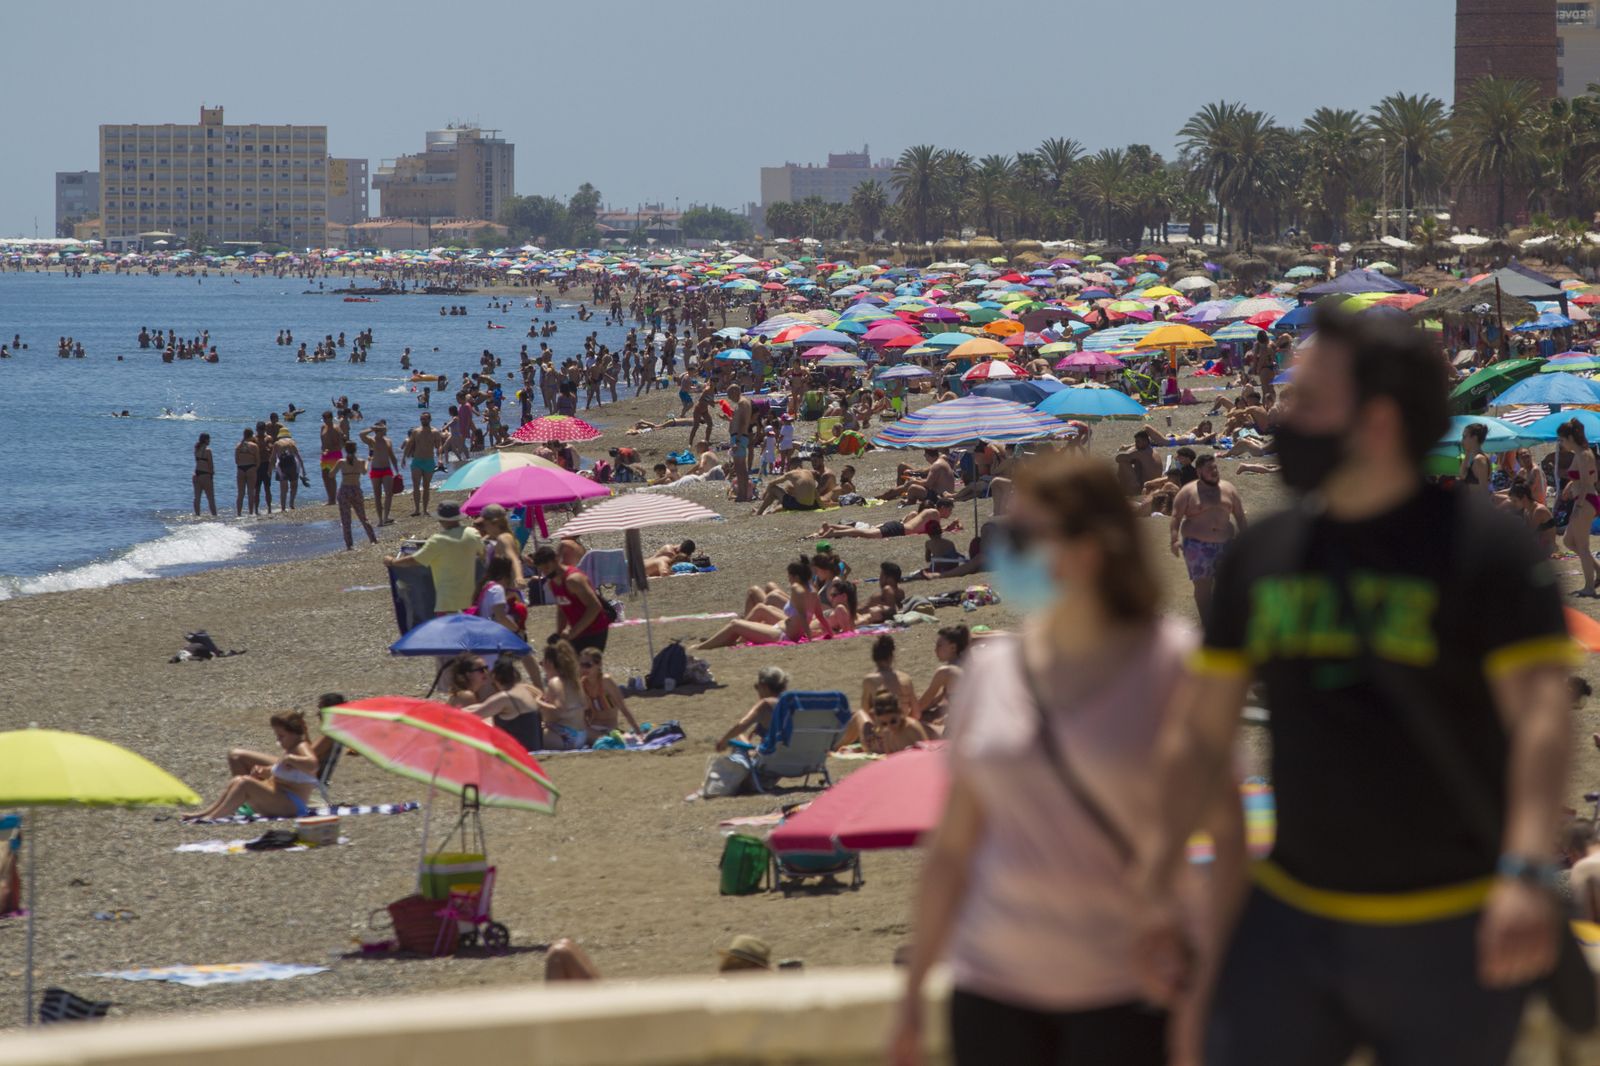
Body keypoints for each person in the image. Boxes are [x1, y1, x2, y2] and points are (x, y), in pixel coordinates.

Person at [1135, 306, 1577, 1066]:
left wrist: (1528, 869)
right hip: (1294, 917)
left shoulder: (1486, 549)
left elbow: (1540, 718)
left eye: (1305, 402)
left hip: (1453, 922)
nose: (1282, 419)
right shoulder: (1264, 556)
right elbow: (1199, 732)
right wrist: (1153, 884)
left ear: (1376, 421)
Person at [892, 451, 1231, 1066]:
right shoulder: (991, 671)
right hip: (991, 990)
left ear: (1090, 548)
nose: (1005, 551)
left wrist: (1204, 996)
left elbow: (1228, 840)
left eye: (1022, 537)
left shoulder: (1170, 666)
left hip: (1128, 991)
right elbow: (953, 848)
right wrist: (913, 996)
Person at [185, 712, 320, 821]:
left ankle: (214, 817)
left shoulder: (301, 746)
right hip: (282, 798)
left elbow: (313, 764)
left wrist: (289, 758)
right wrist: (265, 771)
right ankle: (207, 813)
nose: (278, 740)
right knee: (238, 780)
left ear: (294, 734)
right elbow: (288, 774)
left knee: (245, 783)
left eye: (281, 736)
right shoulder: (292, 748)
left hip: (293, 805)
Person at [694, 559, 842, 649]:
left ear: (796, 577)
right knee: (756, 612)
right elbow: (820, 616)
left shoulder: (797, 589)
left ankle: (701, 647)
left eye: (789, 576)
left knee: (735, 624)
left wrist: (809, 639)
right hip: (782, 630)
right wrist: (831, 634)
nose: (788, 579)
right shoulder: (812, 592)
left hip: (782, 635)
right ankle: (725, 639)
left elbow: (803, 616)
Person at [1169, 454, 1248, 621]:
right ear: (1199, 472)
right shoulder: (1188, 491)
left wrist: (1247, 540)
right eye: (1209, 468)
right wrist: (1174, 540)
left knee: (1228, 584)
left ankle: (1224, 621)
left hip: (1226, 544)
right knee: (1203, 587)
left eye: (1215, 467)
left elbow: (1240, 516)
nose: (1214, 471)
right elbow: (1176, 517)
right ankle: (1207, 623)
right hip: (1197, 546)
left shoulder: (1228, 489)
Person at [384, 503, 485, 615]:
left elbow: (415, 560)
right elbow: (483, 554)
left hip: (448, 602)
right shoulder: (472, 533)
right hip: (472, 597)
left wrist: (392, 561)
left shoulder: (438, 540)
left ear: (441, 520)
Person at [530, 545, 610, 653]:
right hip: (576, 632)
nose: (546, 572)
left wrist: (572, 632)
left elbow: (595, 607)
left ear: (556, 559)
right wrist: (559, 635)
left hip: (594, 631)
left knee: (586, 663)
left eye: (547, 567)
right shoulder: (552, 584)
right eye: (542, 570)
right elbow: (562, 609)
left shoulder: (573, 580)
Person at [465, 657, 545, 751]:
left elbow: (474, 715)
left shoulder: (505, 698)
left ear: (494, 676)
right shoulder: (524, 689)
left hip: (517, 753)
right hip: (534, 749)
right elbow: (484, 706)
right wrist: (463, 710)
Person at [1559, 418, 1600, 597]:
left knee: (1582, 546)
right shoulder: (1583, 453)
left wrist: (1578, 506)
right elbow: (1592, 477)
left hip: (1585, 501)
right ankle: (1598, 569)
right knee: (1568, 541)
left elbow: (1585, 483)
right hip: (1587, 499)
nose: (1561, 443)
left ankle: (1589, 587)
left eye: (1562, 439)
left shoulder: (1583, 454)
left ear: (1570, 438)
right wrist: (1570, 485)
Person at [715, 666, 790, 752]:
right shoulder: (795, 703)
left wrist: (723, 741)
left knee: (739, 737)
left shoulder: (765, 704)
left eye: (757, 687)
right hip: (799, 756)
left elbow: (741, 725)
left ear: (764, 686)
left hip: (770, 757)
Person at [813, 498, 955, 540]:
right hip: (898, 529)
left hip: (897, 527)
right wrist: (949, 529)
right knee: (863, 533)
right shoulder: (934, 513)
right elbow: (936, 534)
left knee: (863, 532)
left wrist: (947, 528)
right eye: (950, 510)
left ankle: (832, 527)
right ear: (943, 507)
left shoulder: (930, 512)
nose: (950, 513)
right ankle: (833, 532)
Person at [577, 648, 641, 741]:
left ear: (599, 664)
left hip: (610, 728)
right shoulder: (582, 684)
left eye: (588, 665)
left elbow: (623, 708)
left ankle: (610, 739)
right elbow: (582, 713)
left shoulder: (606, 681)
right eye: (581, 665)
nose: (584, 669)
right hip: (593, 728)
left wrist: (638, 731)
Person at [537, 638, 589, 750]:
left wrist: (538, 702)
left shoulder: (555, 682)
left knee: (525, 736)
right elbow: (585, 705)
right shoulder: (574, 681)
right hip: (581, 735)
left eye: (542, 663)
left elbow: (560, 709)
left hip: (566, 737)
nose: (542, 665)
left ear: (549, 663)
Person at [333, 442, 378, 550]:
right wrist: (368, 461)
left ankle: (350, 545)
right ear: (355, 450)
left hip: (344, 490)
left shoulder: (341, 462)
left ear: (345, 450)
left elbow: (331, 474)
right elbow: (364, 472)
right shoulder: (361, 461)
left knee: (346, 520)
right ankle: (373, 539)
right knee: (363, 517)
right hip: (356, 490)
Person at [858, 690, 929, 755]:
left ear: (900, 713)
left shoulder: (912, 728)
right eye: (884, 724)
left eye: (893, 721)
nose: (890, 727)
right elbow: (890, 757)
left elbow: (927, 754)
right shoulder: (886, 732)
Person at [403, 412, 446, 517]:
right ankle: (417, 509)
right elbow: (409, 444)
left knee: (426, 486)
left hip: (429, 462)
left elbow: (439, 446)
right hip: (417, 461)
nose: (423, 421)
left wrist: (440, 459)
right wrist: (403, 458)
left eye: (425, 419)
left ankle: (425, 509)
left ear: (430, 419)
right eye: (422, 419)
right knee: (416, 486)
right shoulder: (416, 431)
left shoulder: (435, 432)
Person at [361, 421, 400, 525]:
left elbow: (392, 456)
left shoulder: (388, 441)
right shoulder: (371, 440)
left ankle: (386, 517)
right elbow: (361, 435)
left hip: (387, 470)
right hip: (375, 470)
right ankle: (380, 520)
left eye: (385, 428)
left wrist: (397, 471)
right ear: (378, 430)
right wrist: (372, 428)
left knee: (389, 494)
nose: (386, 429)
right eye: (383, 428)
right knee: (377, 496)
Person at [477, 503, 526, 586]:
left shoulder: (504, 538)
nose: (484, 527)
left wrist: (519, 577)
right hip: (497, 586)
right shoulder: (492, 537)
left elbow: (514, 559)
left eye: (484, 524)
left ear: (494, 523)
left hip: (506, 588)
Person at [1507, 478, 1557, 555]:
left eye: (1515, 501)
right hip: (1539, 545)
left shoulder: (1539, 511)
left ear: (1524, 498)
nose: (1513, 504)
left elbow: (1529, 534)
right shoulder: (1527, 510)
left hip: (1548, 549)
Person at [752, 468, 822, 515]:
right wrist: (821, 505)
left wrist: (764, 495)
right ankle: (766, 511)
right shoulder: (808, 473)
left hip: (799, 506)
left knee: (773, 489)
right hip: (811, 506)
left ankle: (759, 513)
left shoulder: (792, 473)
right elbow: (815, 491)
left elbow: (771, 483)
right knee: (787, 495)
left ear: (791, 466)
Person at [728, 383, 755, 502]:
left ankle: (742, 494)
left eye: (729, 394)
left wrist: (737, 440)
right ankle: (744, 494)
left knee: (739, 468)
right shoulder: (745, 402)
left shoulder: (742, 403)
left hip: (739, 437)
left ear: (735, 392)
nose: (729, 398)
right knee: (741, 467)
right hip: (741, 436)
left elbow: (743, 422)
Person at [1114, 430, 1163, 495]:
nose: (1136, 444)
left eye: (1138, 442)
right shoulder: (1152, 451)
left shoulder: (1142, 453)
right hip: (1152, 485)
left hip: (1144, 488)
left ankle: (1122, 488)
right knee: (1136, 462)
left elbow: (1118, 458)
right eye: (1135, 442)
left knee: (1123, 463)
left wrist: (1131, 451)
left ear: (1145, 441)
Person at [318, 410, 344, 506]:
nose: (325, 420)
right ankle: (330, 498)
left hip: (334, 454)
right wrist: (323, 451)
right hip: (325, 455)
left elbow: (341, 444)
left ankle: (333, 499)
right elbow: (322, 442)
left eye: (327, 419)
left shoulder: (336, 428)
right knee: (324, 476)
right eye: (324, 419)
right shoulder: (323, 427)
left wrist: (330, 449)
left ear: (331, 418)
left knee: (331, 476)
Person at [274, 430, 303, 511]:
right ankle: (291, 504)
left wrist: (269, 470)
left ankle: (283, 508)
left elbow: (273, 457)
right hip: (292, 465)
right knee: (294, 486)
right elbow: (298, 457)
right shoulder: (292, 442)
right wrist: (303, 470)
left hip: (281, 466)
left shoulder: (277, 443)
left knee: (283, 488)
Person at [1459, 421, 1492, 492]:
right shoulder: (1478, 457)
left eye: (1464, 437)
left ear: (1474, 438)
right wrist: (1467, 452)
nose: (1461, 441)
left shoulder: (1479, 459)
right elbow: (1462, 474)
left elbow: (1484, 489)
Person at [234, 428, 259, 517]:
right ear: (251, 435)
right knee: (251, 492)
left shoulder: (238, 446)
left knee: (240, 493)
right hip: (251, 468)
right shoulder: (254, 446)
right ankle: (251, 513)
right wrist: (255, 469)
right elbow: (258, 460)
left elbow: (236, 461)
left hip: (240, 468)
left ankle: (239, 514)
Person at [193, 433, 216, 517]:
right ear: (206, 440)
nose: (210, 441)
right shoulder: (208, 450)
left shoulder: (196, 449)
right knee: (211, 498)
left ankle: (197, 515)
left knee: (197, 498)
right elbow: (211, 465)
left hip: (196, 474)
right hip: (205, 475)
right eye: (209, 439)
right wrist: (212, 474)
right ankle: (214, 516)